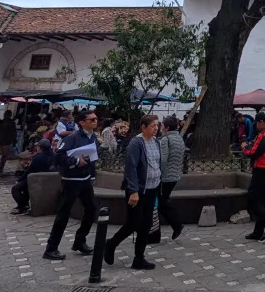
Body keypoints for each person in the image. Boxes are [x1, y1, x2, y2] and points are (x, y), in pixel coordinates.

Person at [105, 115, 162, 270]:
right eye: (152, 126)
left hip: (152, 188)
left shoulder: (156, 142)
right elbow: (131, 168)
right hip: (139, 190)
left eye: (157, 125)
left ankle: (139, 258)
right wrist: (133, 191)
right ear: (143, 127)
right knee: (134, 222)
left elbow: (156, 163)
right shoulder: (136, 143)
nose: (156, 128)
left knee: (146, 224)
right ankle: (111, 244)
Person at [43, 111, 99, 261]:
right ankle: (51, 248)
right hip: (71, 179)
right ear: (82, 122)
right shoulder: (72, 138)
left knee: (92, 208)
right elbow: (58, 157)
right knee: (64, 214)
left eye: (96, 119)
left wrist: (92, 175)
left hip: (85, 179)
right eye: (92, 119)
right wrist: (75, 162)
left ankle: (80, 240)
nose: (95, 121)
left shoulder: (93, 137)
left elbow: (93, 157)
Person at [241, 112, 265, 241]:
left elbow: (254, 152)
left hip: (261, 168)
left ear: (262, 122)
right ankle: (258, 231)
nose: (256, 126)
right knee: (263, 199)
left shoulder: (264, 134)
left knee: (253, 198)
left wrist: (245, 147)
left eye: (257, 123)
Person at [11, 138, 54, 215]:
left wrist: (19, 179)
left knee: (15, 188)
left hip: (36, 179)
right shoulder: (54, 155)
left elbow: (29, 171)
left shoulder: (38, 158)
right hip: (49, 179)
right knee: (25, 186)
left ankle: (23, 205)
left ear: (40, 147)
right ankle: (24, 205)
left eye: (37, 146)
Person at [158, 116, 184, 240]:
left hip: (165, 176)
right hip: (175, 175)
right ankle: (176, 225)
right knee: (163, 201)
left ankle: (177, 224)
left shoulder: (166, 139)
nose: (161, 128)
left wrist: (158, 173)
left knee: (162, 202)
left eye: (162, 125)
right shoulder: (179, 138)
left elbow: (163, 159)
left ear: (167, 128)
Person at [0, 110, 18, 175]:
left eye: (6, 114)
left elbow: (13, 133)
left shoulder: (12, 123)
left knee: (4, 156)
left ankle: (0, 168)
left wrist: (14, 140)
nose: (5, 115)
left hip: (6, 142)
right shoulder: (0, 122)